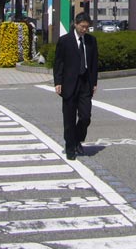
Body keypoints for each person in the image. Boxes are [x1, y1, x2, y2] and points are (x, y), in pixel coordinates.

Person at [53, 12, 98, 160]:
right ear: (76, 24)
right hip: (69, 83)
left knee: (85, 116)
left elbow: (93, 64)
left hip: (85, 83)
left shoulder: (91, 41)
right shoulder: (65, 41)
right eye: (83, 26)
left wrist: (94, 83)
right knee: (69, 118)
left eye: (87, 27)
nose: (85, 29)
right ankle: (70, 147)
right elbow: (58, 63)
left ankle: (77, 139)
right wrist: (58, 82)